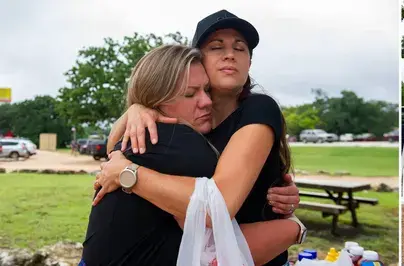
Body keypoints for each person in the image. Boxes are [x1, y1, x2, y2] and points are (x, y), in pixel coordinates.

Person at [93, 10, 303, 266]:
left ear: (249, 63)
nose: (230, 54)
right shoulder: (190, 119)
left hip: (254, 254)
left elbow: (218, 205)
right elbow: (117, 147)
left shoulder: (258, 108)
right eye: (216, 47)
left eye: (241, 48)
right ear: (198, 60)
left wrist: (126, 172)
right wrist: (137, 109)